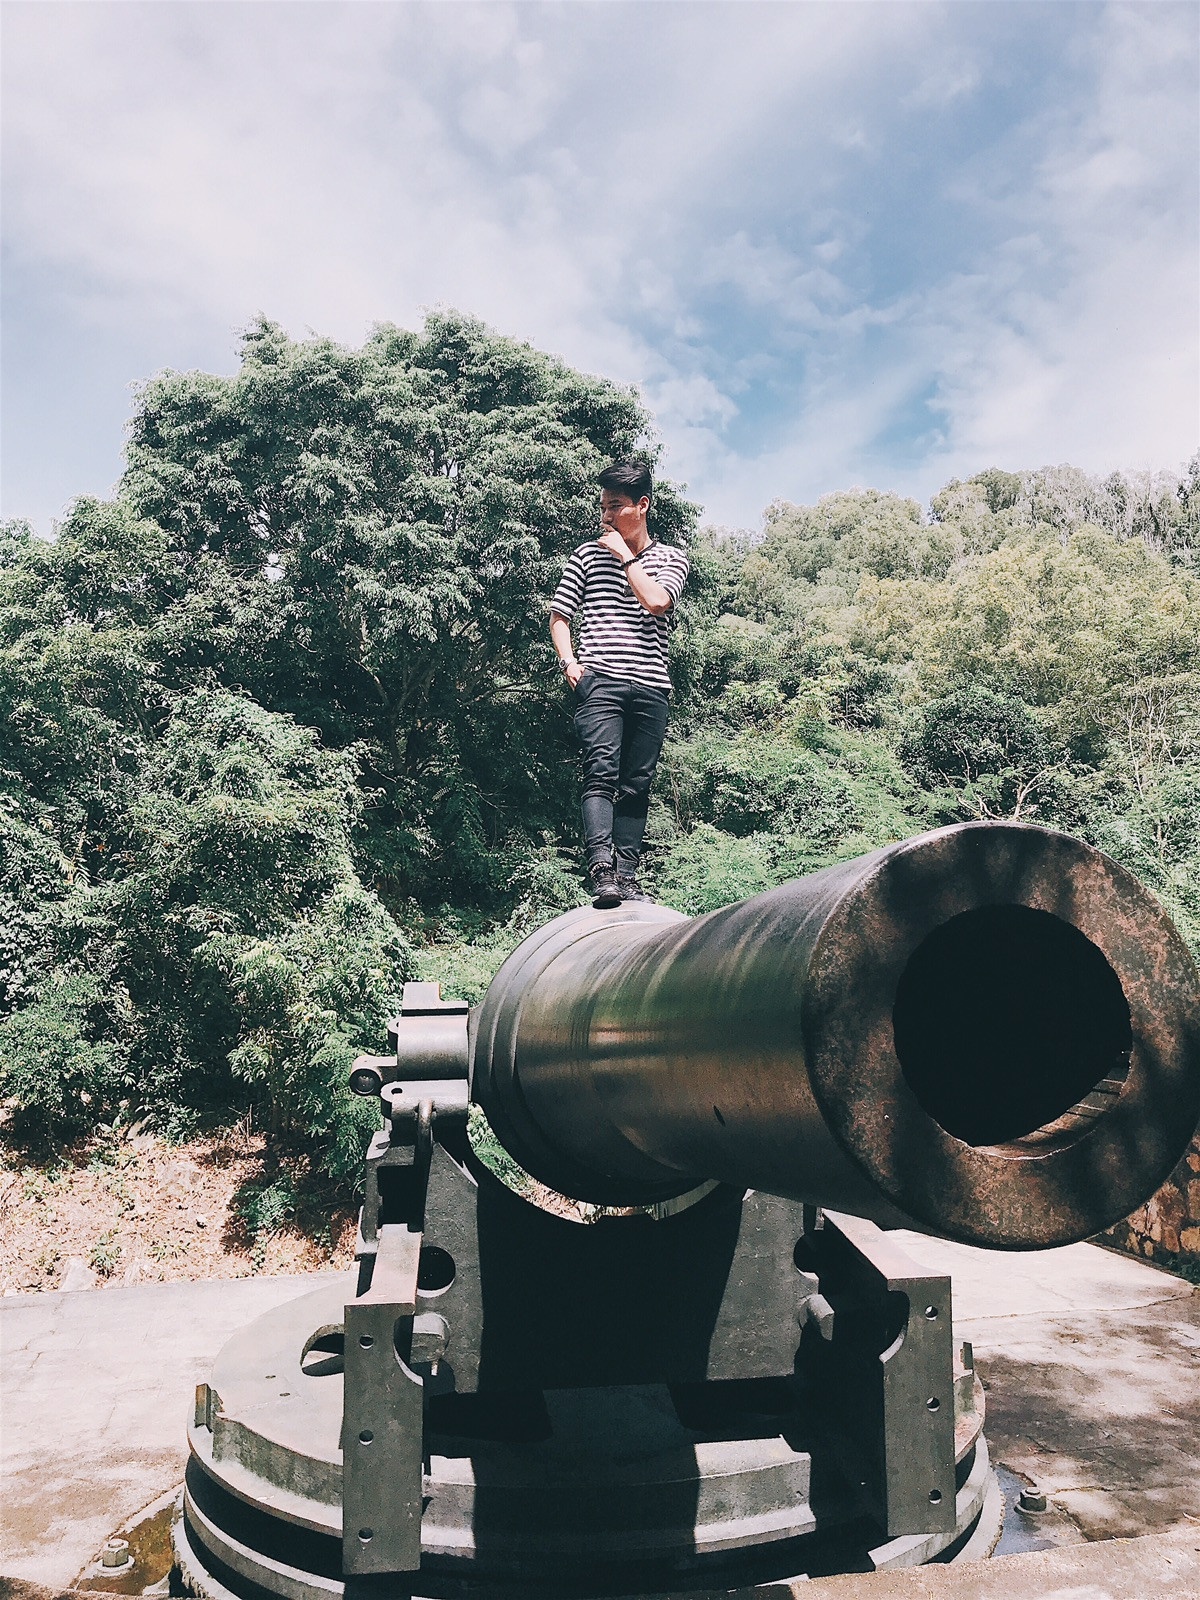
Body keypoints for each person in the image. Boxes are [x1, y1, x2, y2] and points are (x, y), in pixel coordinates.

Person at [549, 461, 690, 907]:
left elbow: (657, 602)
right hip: (601, 681)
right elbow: (559, 615)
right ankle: (602, 871)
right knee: (601, 772)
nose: (606, 518)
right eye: (603, 507)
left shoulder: (671, 559)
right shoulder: (586, 555)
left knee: (637, 783)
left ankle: (628, 876)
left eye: (616, 507)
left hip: (651, 686)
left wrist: (626, 558)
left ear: (642, 506)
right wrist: (570, 663)